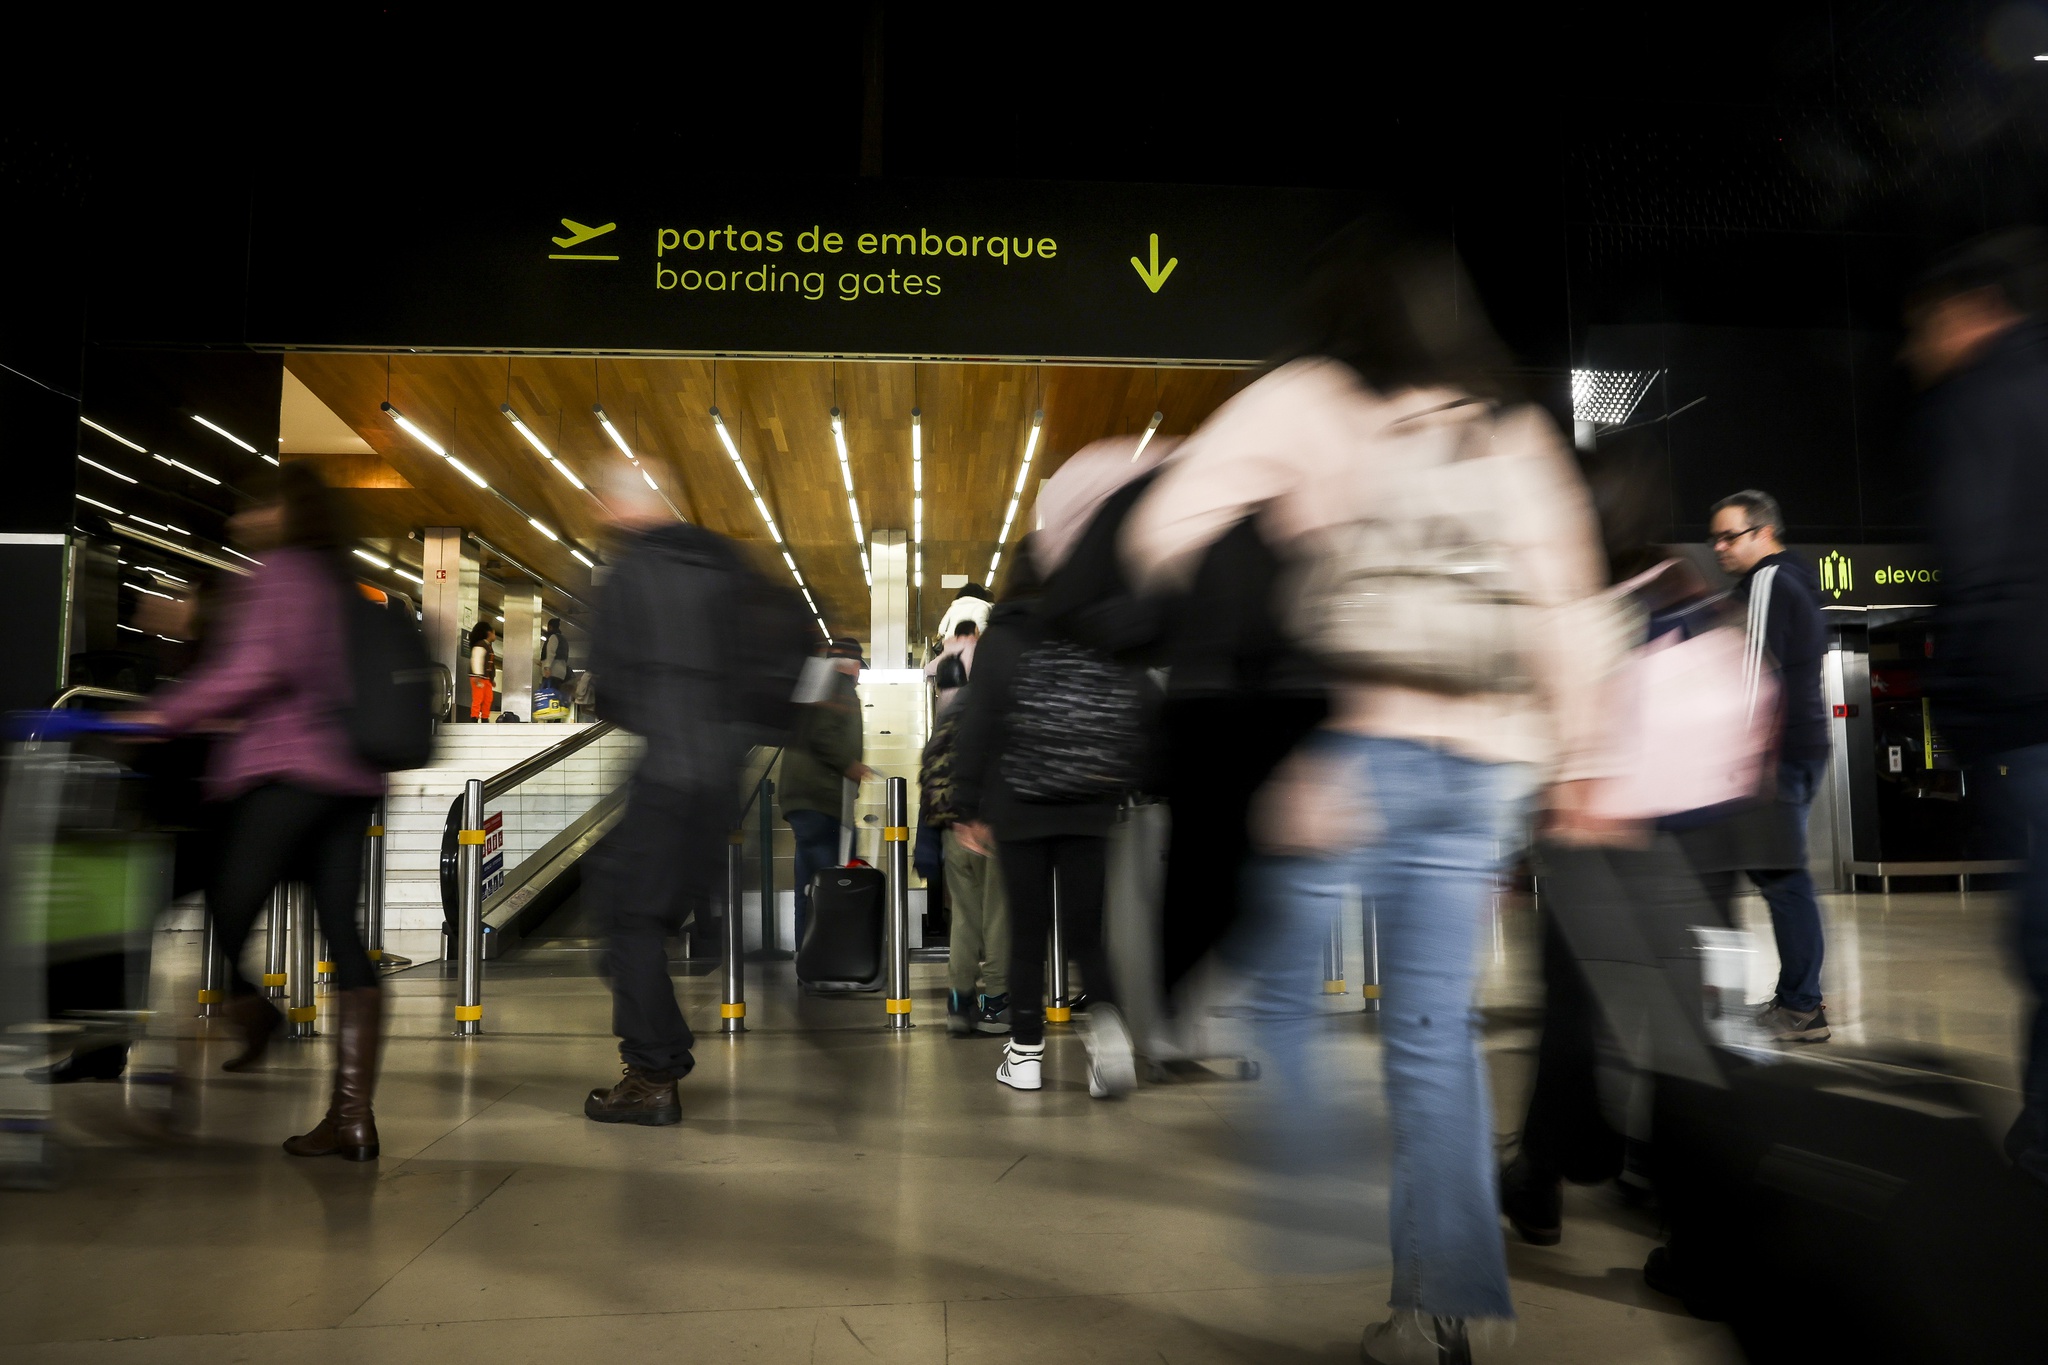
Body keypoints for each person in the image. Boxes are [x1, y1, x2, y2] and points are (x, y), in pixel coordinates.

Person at [1122, 222, 1622, 1363]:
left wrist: (1272, 567)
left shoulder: (1313, 399)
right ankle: (1449, 1308)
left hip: (1378, 749)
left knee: (1275, 991)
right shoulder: (1510, 425)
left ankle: (1329, 1206)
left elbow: (1167, 524)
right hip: (1490, 771)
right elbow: (1570, 604)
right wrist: (1579, 764)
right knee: (1431, 1041)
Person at [130, 463, 388, 1160]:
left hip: (287, 776)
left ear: (286, 511)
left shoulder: (283, 575)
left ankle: (175, 1091)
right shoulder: (345, 582)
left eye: (257, 506)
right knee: (341, 932)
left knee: (221, 913)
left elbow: (251, 673)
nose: (245, 519)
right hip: (353, 781)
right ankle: (352, 1118)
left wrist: (159, 715)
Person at [580, 466, 787, 1125]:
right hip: (720, 778)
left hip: (668, 769)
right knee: (647, 913)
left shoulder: (632, 571)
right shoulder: (724, 562)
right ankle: (655, 1057)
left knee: (624, 914)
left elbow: (611, 684)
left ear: (619, 507)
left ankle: (652, 1072)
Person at [1915, 226, 2048, 1186]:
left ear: (1969, 311)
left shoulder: (1979, 402)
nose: (1911, 349)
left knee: (2042, 939)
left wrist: (1955, 711)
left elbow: (1979, 562)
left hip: (2030, 711)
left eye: (1922, 325)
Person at [952, 526, 1142, 1101]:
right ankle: (1109, 1041)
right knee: (1089, 932)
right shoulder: (1099, 630)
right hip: (1088, 803)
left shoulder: (1003, 637)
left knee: (1026, 934)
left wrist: (967, 804)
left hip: (1021, 806)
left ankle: (1026, 1055)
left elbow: (979, 722)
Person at [1703, 489, 1831, 1043]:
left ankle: (1802, 1006)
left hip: (1772, 756)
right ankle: (1796, 999)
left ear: (1762, 533)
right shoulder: (1796, 579)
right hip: (1797, 748)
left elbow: (1752, 680)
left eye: (1729, 536)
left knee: (1783, 880)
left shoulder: (1769, 581)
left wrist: (1737, 757)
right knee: (1783, 876)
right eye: (1715, 538)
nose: (1718, 547)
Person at [920, 653, 1011, 1036]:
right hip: (987, 826)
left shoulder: (944, 719)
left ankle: (959, 1001)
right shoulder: (992, 708)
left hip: (951, 828)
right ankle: (996, 1001)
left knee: (965, 918)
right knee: (999, 916)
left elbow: (929, 770)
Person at [781, 637, 871, 950]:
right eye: (860, 665)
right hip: (822, 800)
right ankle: (830, 960)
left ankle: (806, 962)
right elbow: (823, 736)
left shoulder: (812, 684)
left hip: (799, 800)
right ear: (852, 664)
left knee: (806, 885)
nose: (860, 672)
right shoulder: (840, 688)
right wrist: (851, 765)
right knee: (832, 885)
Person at [924, 619, 977, 711]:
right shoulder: (977, 647)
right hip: (970, 700)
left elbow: (928, 669)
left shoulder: (950, 648)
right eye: (977, 631)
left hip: (947, 700)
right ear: (972, 633)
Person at [466, 620, 498, 721]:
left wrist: (491, 678)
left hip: (486, 678)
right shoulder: (481, 645)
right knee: (478, 698)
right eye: (494, 633)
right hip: (479, 677)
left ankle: (485, 717)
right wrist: (477, 674)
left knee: (488, 698)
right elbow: (476, 660)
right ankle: (474, 717)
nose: (495, 636)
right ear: (489, 633)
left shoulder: (487, 646)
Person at [540, 616, 571, 692]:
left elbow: (551, 653)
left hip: (552, 672)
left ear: (550, 627)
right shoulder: (563, 639)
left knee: (548, 695)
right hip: (561, 673)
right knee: (556, 695)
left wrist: (547, 667)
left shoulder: (553, 637)